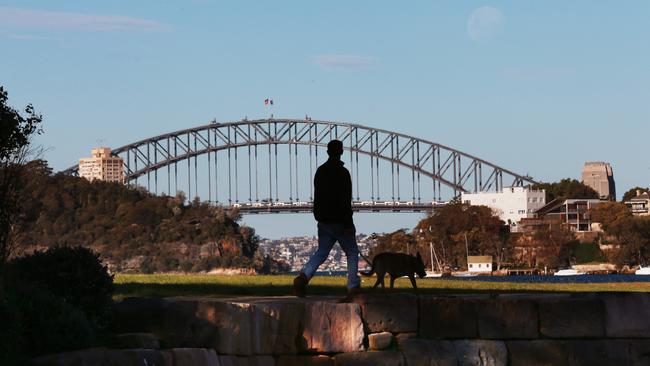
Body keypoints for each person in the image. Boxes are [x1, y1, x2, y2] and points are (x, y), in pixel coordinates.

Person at [292, 139, 361, 297]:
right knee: (351, 252)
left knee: (322, 253)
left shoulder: (320, 171)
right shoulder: (343, 173)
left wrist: (319, 215)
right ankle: (353, 287)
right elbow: (345, 200)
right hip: (340, 221)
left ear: (328, 152)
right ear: (341, 151)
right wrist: (349, 222)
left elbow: (318, 196)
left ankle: (303, 278)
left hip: (323, 220)